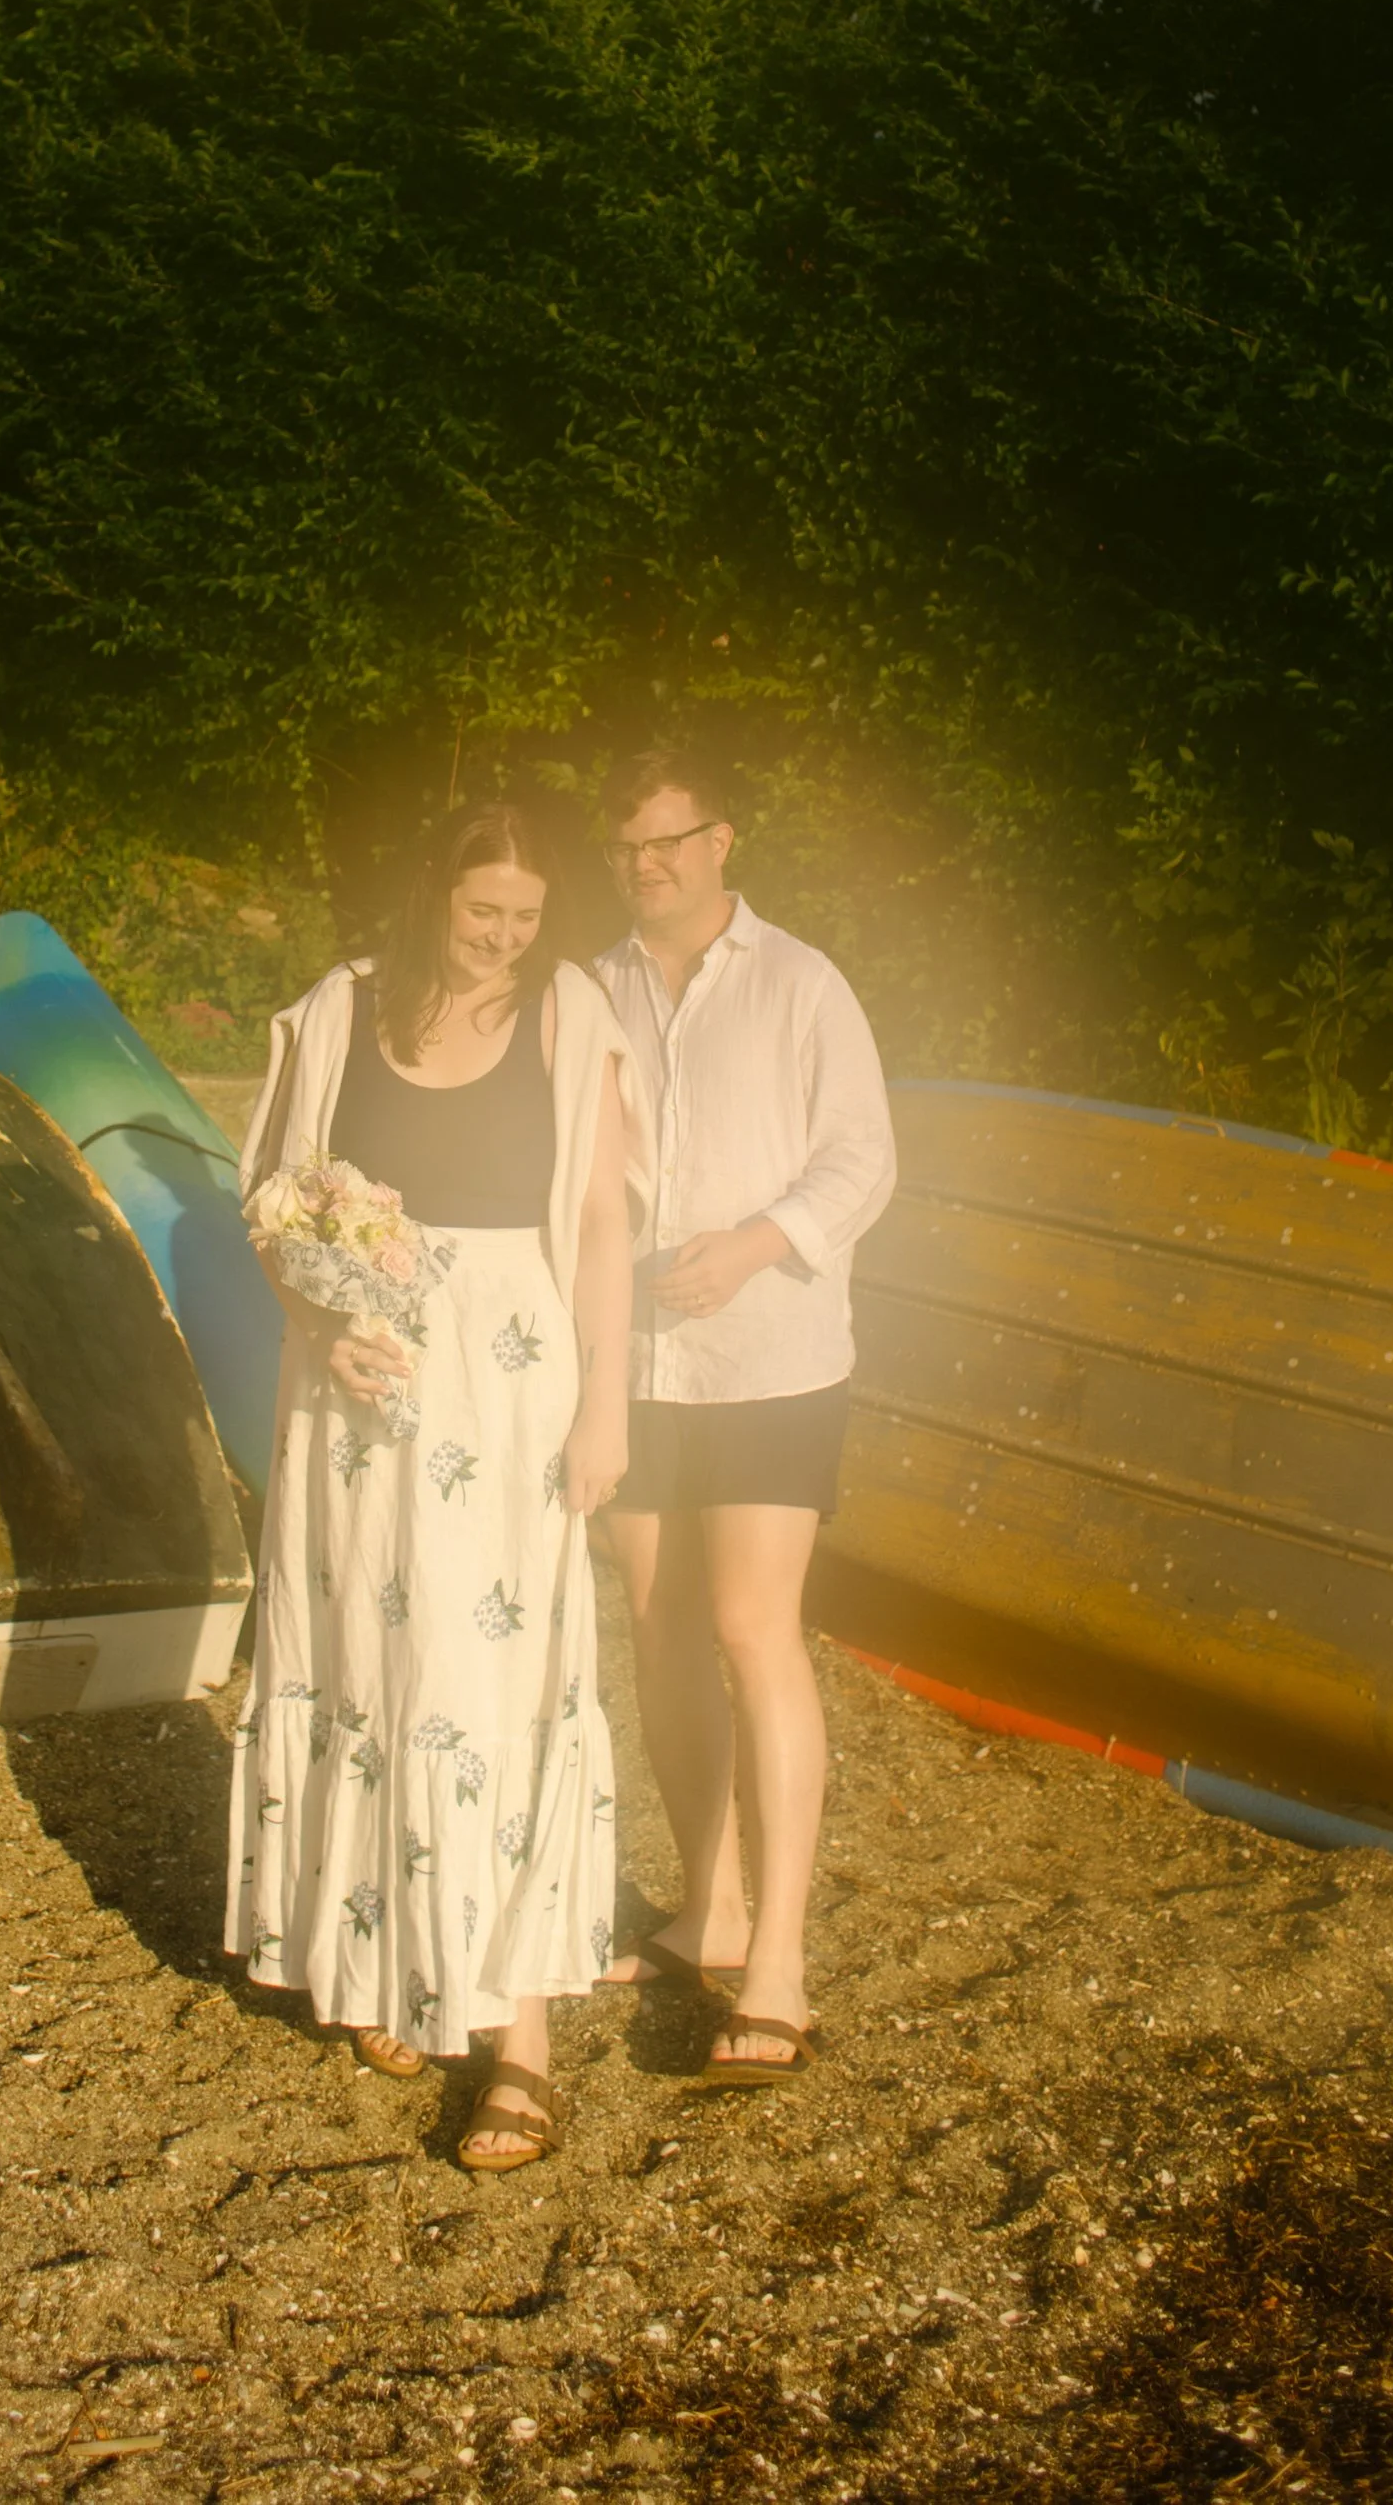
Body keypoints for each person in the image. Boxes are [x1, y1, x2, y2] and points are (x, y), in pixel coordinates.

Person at [225, 801, 639, 2172]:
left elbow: (598, 1224)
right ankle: (388, 1955)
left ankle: (521, 2044)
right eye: (483, 913)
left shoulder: (571, 1015)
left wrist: (606, 1399)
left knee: (493, 1683)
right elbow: (277, 1200)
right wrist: (313, 1316)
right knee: (366, 1661)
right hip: (358, 1385)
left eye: (525, 916)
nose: (505, 936)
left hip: (509, 1382)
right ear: (435, 893)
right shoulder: (344, 1007)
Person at [596, 746, 895, 2081]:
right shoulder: (588, 989)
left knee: (747, 1623)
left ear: (725, 840)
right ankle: (706, 1901)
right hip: (635, 1358)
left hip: (772, 1352)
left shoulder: (802, 980)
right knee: (657, 1622)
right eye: (628, 846)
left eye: (669, 840)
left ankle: (779, 1961)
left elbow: (865, 1153)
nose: (647, 863)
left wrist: (758, 1239)